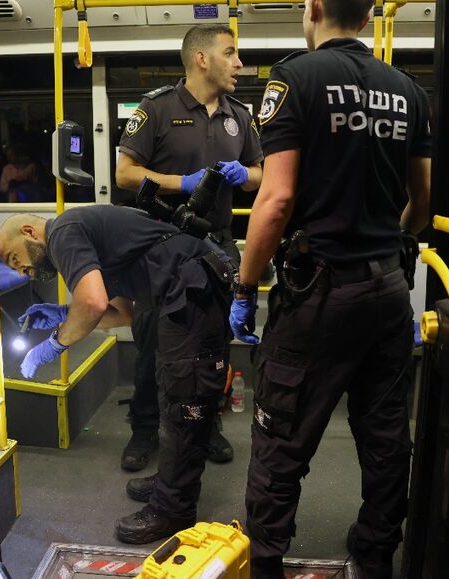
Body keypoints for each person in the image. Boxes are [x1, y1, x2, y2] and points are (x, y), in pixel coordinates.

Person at [229, 0, 432, 577]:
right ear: (369, 17)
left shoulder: (294, 79)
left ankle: (265, 563)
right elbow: (423, 203)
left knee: (280, 438)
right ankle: (373, 556)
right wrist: (381, 243)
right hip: (389, 292)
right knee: (387, 436)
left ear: (315, 8)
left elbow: (277, 199)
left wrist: (246, 287)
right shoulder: (408, 91)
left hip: (318, 293)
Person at [0, 206, 235, 545]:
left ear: (30, 232)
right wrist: (64, 314)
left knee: (185, 400)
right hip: (183, 291)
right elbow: (120, 313)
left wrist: (54, 345)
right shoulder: (87, 239)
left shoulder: (62, 231)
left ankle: (174, 509)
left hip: (192, 290)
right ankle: (172, 479)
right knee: (173, 394)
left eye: (12, 257)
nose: (20, 270)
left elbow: (92, 305)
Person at [114, 24, 263, 476]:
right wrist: (183, 183)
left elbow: (261, 173)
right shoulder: (156, 108)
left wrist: (245, 176)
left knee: (214, 343)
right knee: (151, 345)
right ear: (201, 59)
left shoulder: (240, 114)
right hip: (161, 246)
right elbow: (124, 173)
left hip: (215, 246)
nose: (239, 63)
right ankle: (144, 430)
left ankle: (208, 424)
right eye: (231, 53)